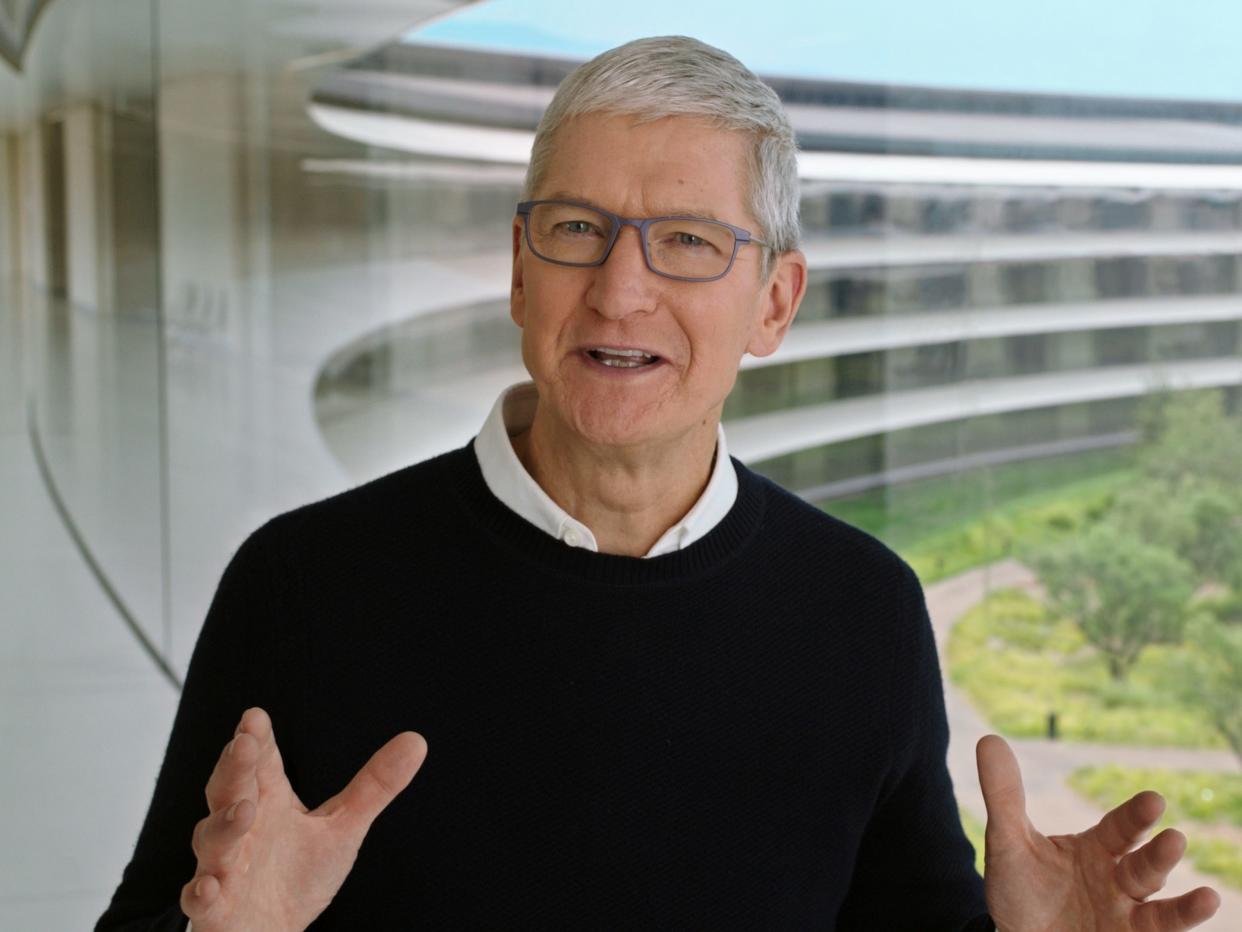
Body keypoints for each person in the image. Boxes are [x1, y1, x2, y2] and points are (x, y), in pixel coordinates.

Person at [98, 36, 1221, 931]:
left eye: (685, 239)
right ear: (519, 270)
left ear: (774, 304)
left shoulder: (863, 608)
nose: (620, 290)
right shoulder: (302, 581)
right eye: (578, 229)